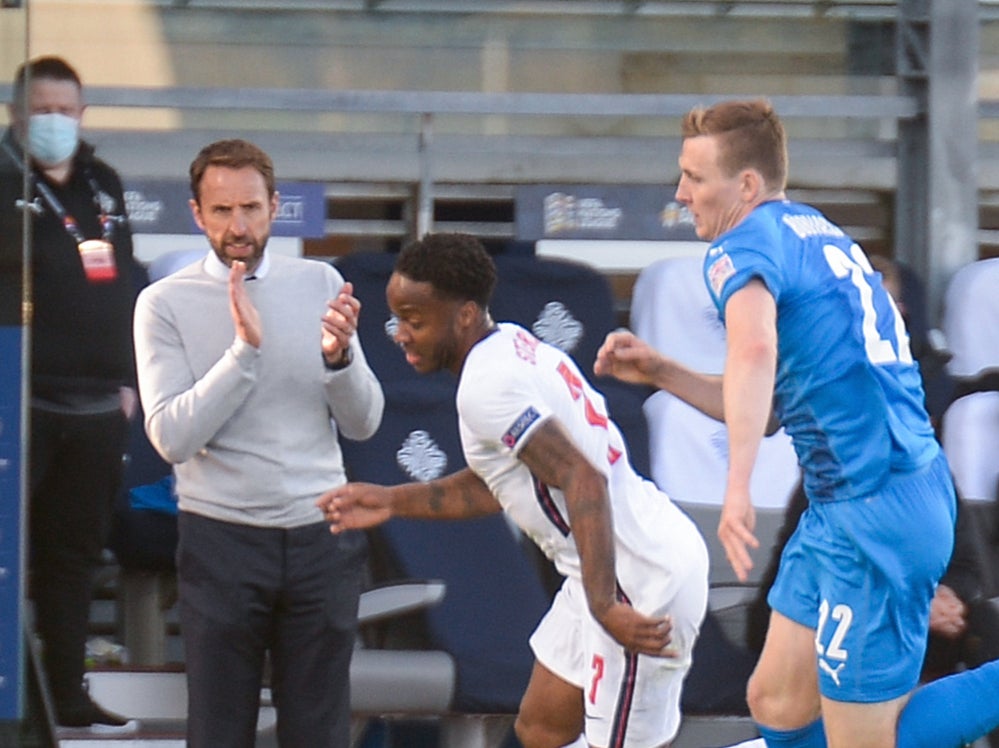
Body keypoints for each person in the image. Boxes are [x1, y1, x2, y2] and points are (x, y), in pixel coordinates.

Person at [594, 99, 999, 748]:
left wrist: (736, 489)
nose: (681, 193)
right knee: (775, 700)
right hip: (849, 506)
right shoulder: (812, 230)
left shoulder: (739, 245)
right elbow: (777, 398)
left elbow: (753, 353)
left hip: (875, 512)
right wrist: (663, 372)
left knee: (861, 741)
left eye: (695, 177)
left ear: (745, 185)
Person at [317, 232, 709, 748]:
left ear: (463, 315)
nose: (400, 334)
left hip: (637, 577)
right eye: (397, 319)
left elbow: (581, 476)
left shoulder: (488, 385)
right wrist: (393, 500)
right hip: (601, 567)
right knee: (541, 728)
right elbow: (500, 483)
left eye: (415, 320)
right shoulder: (512, 345)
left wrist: (605, 606)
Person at [132, 138, 384, 748]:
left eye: (250, 208)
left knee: (319, 731)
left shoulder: (320, 280)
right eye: (221, 211)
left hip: (319, 533)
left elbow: (365, 422)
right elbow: (172, 436)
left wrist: (340, 358)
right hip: (221, 537)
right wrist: (243, 353)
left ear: (275, 207)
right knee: (219, 729)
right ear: (197, 214)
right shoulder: (163, 302)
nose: (238, 225)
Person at [0, 55, 137, 728]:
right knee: (5, 550)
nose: (54, 121)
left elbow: (128, 284)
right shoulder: (2, 181)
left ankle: (67, 693)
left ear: (81, 115)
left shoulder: (103, 184)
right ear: (16, 114)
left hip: (95, 405)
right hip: (18, 400)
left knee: (74, 556)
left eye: (65, 110)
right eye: (41, 109)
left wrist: (131, 381)